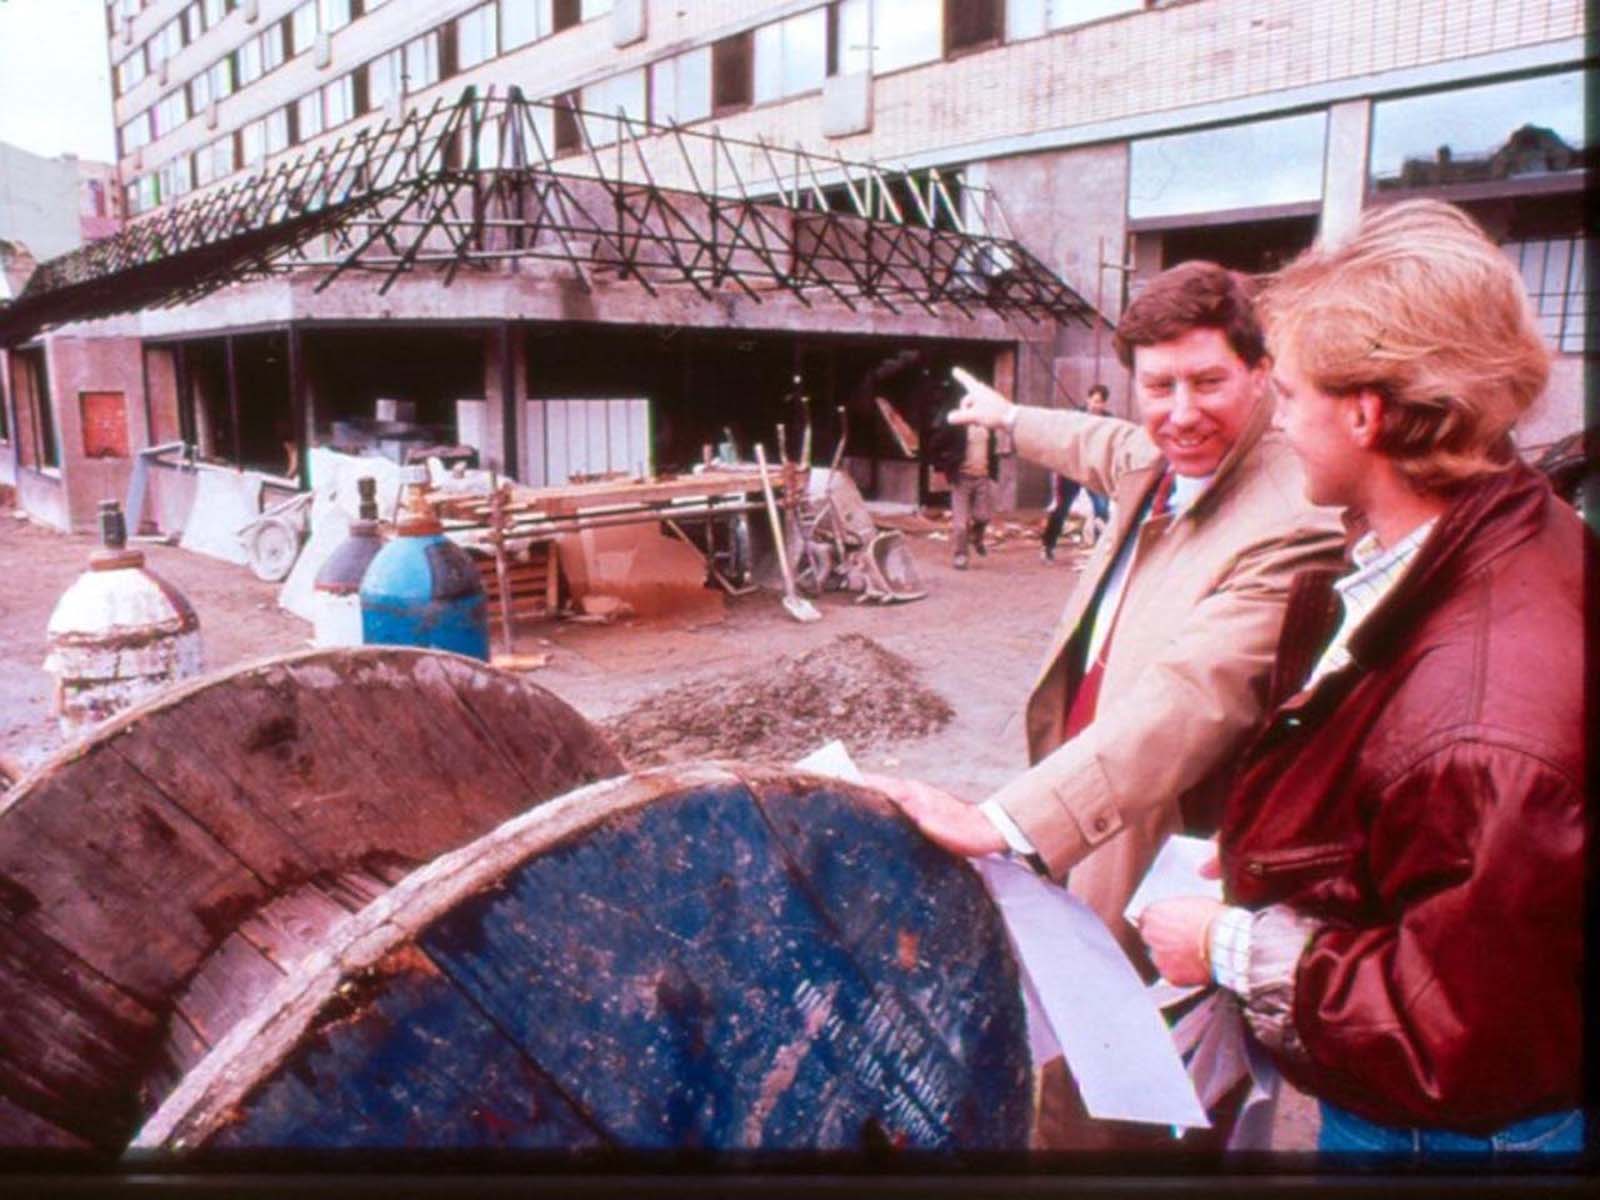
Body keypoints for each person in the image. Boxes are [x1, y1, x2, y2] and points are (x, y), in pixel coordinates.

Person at [1138, 200, 1587, 1159]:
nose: (1279, 419)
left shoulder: (1482, 727)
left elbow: (1451, 1028)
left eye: (1289, 393)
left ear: (1365, 413)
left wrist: (1224, 945)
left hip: (1453, 1139)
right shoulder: (1507, 533)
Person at [869, 261, 1345, 1146]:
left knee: (1137, 1095)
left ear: (1261, 373)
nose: (1181, 412)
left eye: (1208, 382)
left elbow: (1192, 697)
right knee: (1074, 1054)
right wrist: (1007, 417)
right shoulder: (1155, 460)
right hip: (1090, 814)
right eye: (1159, 386)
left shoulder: (1292, 515)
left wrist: (1009, 822)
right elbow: (1097, 441)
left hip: (1163, 845)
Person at [926, 385, 1006, 569]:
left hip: (982, 478)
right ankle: (961, 555)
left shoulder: (987, 427)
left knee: (983, 517)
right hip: (962, 479)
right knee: (961, 525)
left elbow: (992, 452)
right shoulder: (956, 427)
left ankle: (977, 538)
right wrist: (944, 464)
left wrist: (993, 474)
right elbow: (934, 445)